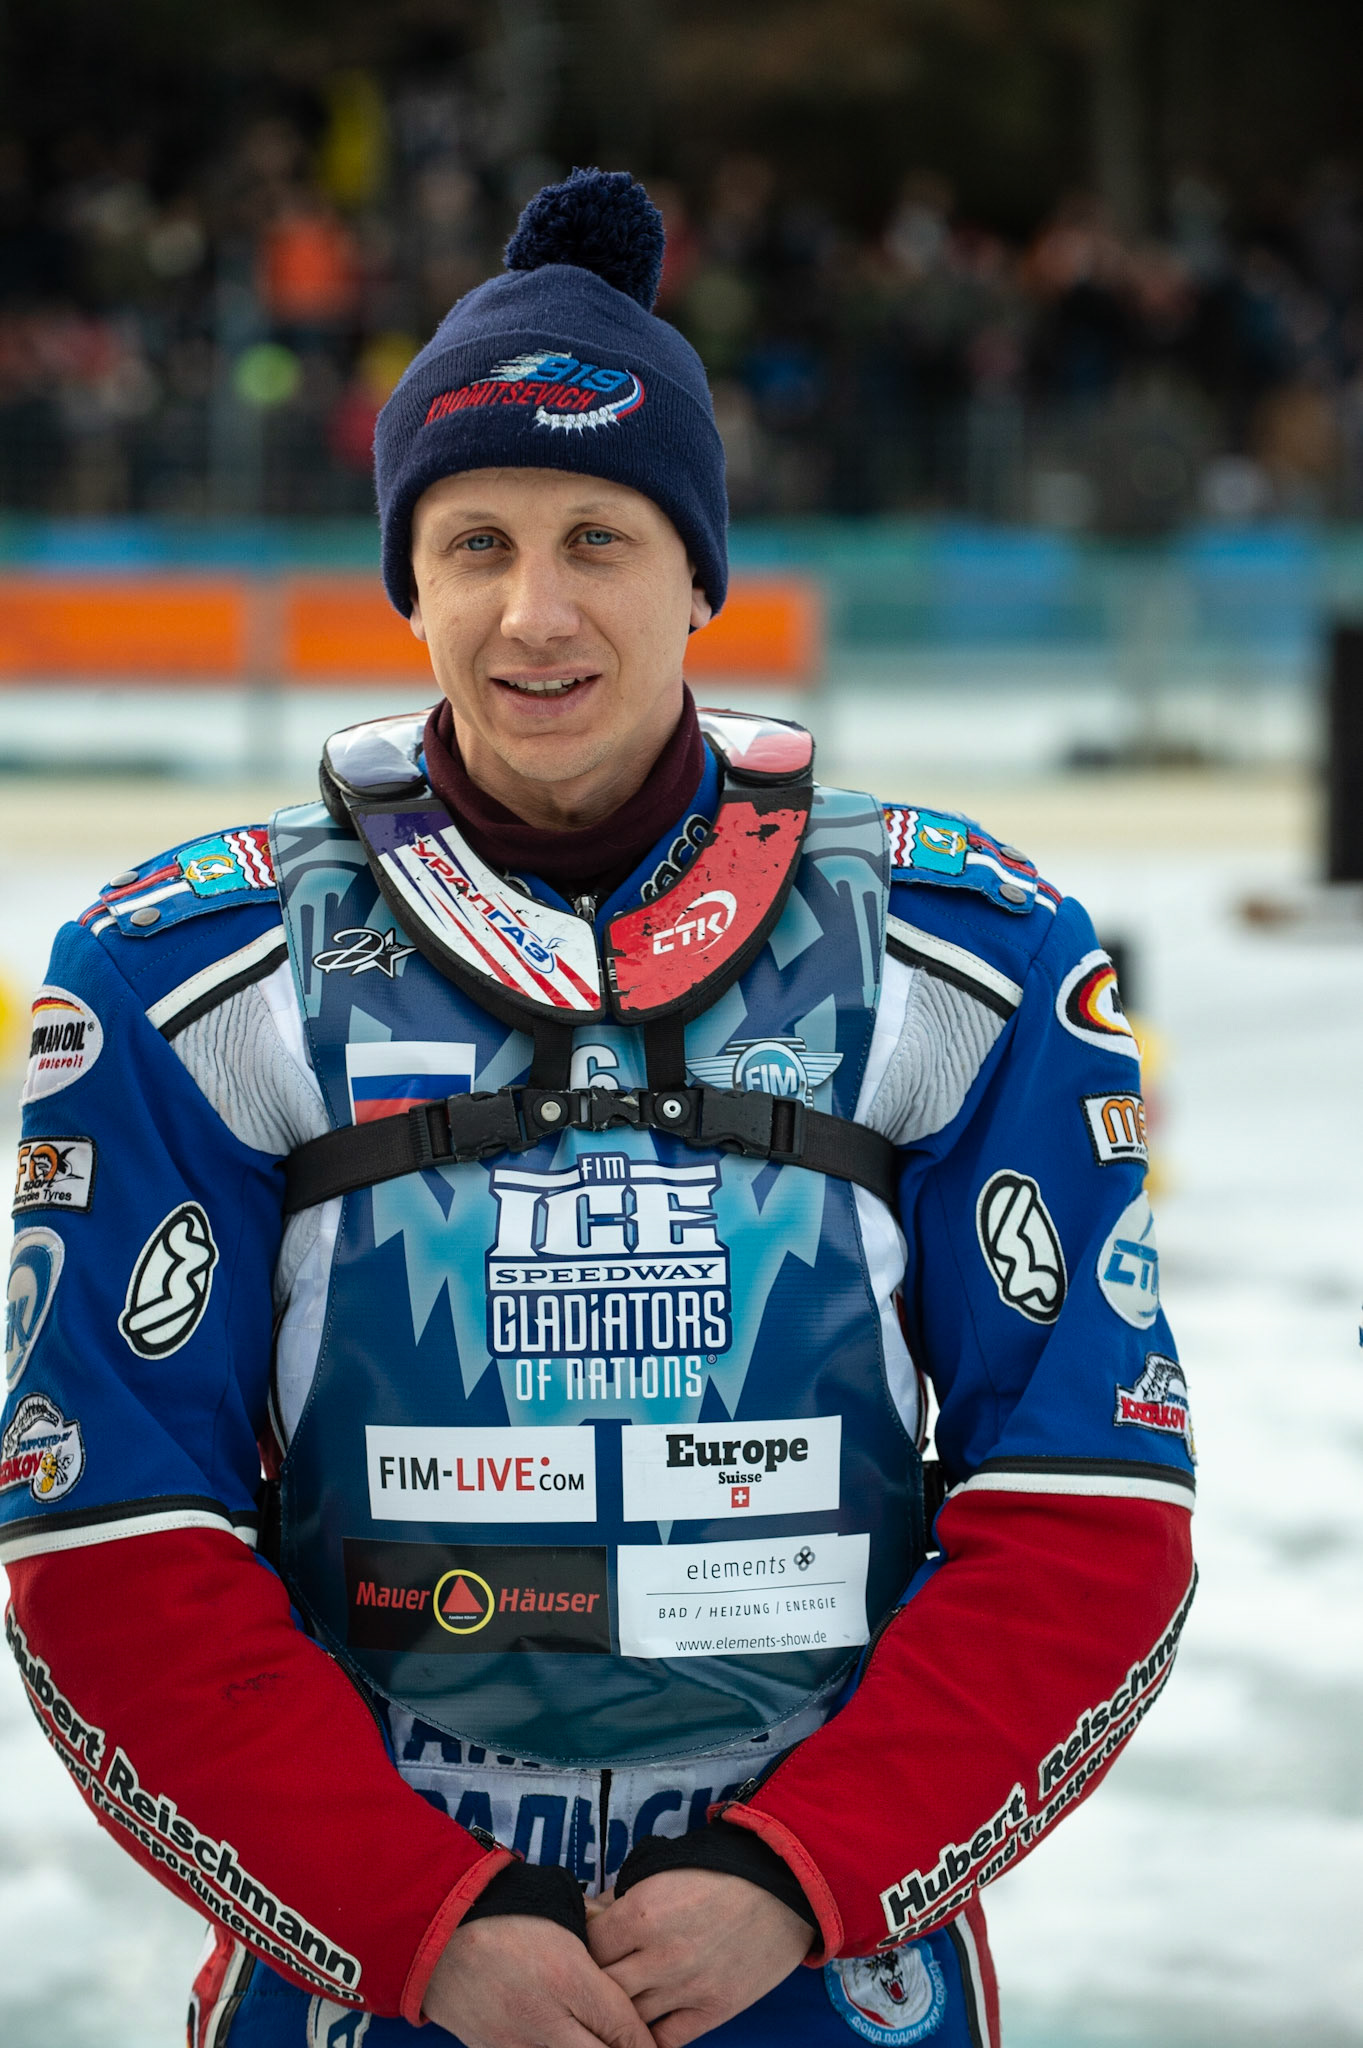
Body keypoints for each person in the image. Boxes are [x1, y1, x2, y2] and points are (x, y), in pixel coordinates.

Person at [3, 171, 1195, 2048]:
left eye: (600, 539)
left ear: (703, 572)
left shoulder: (971, 957)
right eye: (472, 543)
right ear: (407, 580)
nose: (532, 611)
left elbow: (1090, 1516)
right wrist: (427, 1922)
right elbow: (113, 1551)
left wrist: (800, 1872)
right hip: (375, 1979)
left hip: (829, 1975)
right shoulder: (187, 975)